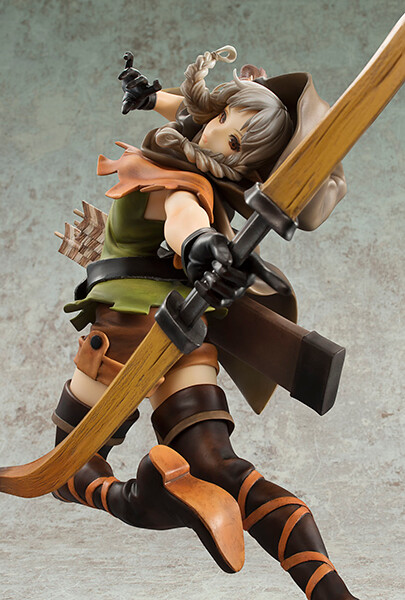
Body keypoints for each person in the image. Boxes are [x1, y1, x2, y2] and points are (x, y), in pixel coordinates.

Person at [53, 47, 357, 599]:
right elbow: (195, 114)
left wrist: (199, 244)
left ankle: (146, 499)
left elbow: (181, 216)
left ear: (245, 163)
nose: (215, 130)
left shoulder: (180, 177)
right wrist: (152, 96)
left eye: (236, 142)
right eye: (222, 116)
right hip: (187, 337)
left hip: (125, 331)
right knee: (219, 467)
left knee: (71, 465)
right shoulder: (197, 149)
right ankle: (331, 591)